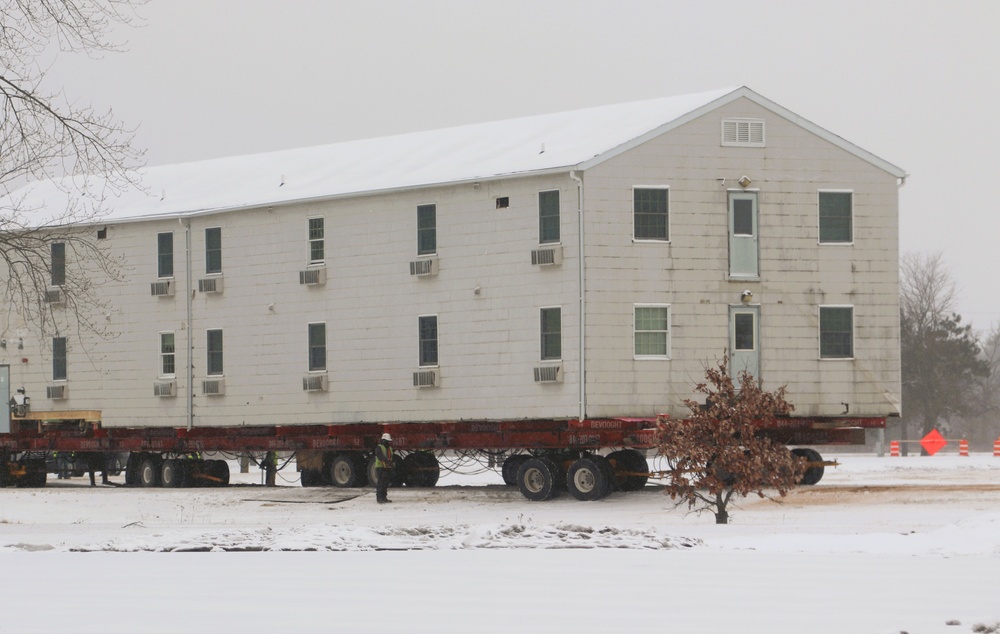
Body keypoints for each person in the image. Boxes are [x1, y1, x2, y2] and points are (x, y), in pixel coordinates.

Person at [374, 433, 394, 504]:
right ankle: (379, 498)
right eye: (387, 441)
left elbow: (391, 457)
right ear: (384, 441)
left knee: (385, 483)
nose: (389, 443)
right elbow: (380, 456)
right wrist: (386, 461)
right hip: (380, 467)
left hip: (387, 467)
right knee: (381, 483)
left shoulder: (389, 448)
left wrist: (391, 464)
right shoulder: (379, 447)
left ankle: (384, 497)